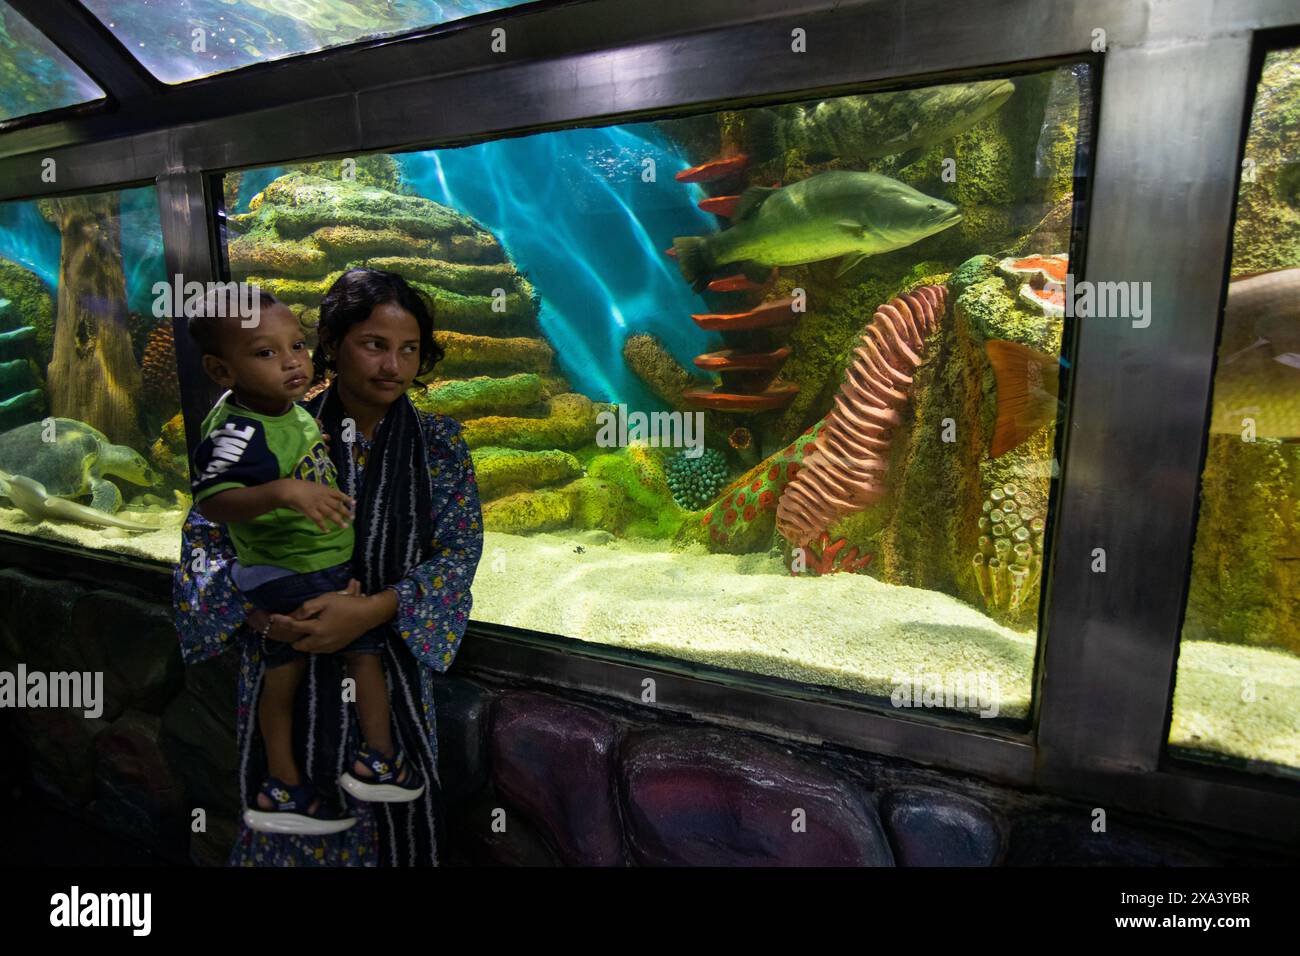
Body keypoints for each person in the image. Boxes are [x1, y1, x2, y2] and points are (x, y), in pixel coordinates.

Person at [173, 268, 484, 866]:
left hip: (387, 664)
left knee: (397, 829)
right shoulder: (274, 425)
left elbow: (459, 550)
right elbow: (205, 542)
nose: (393, 366)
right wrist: (262, 616)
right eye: (374, 345)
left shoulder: (439, 443)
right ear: (333, 345)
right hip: (284, 655)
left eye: (409, 349)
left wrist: (370, 609)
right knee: (290, 833)